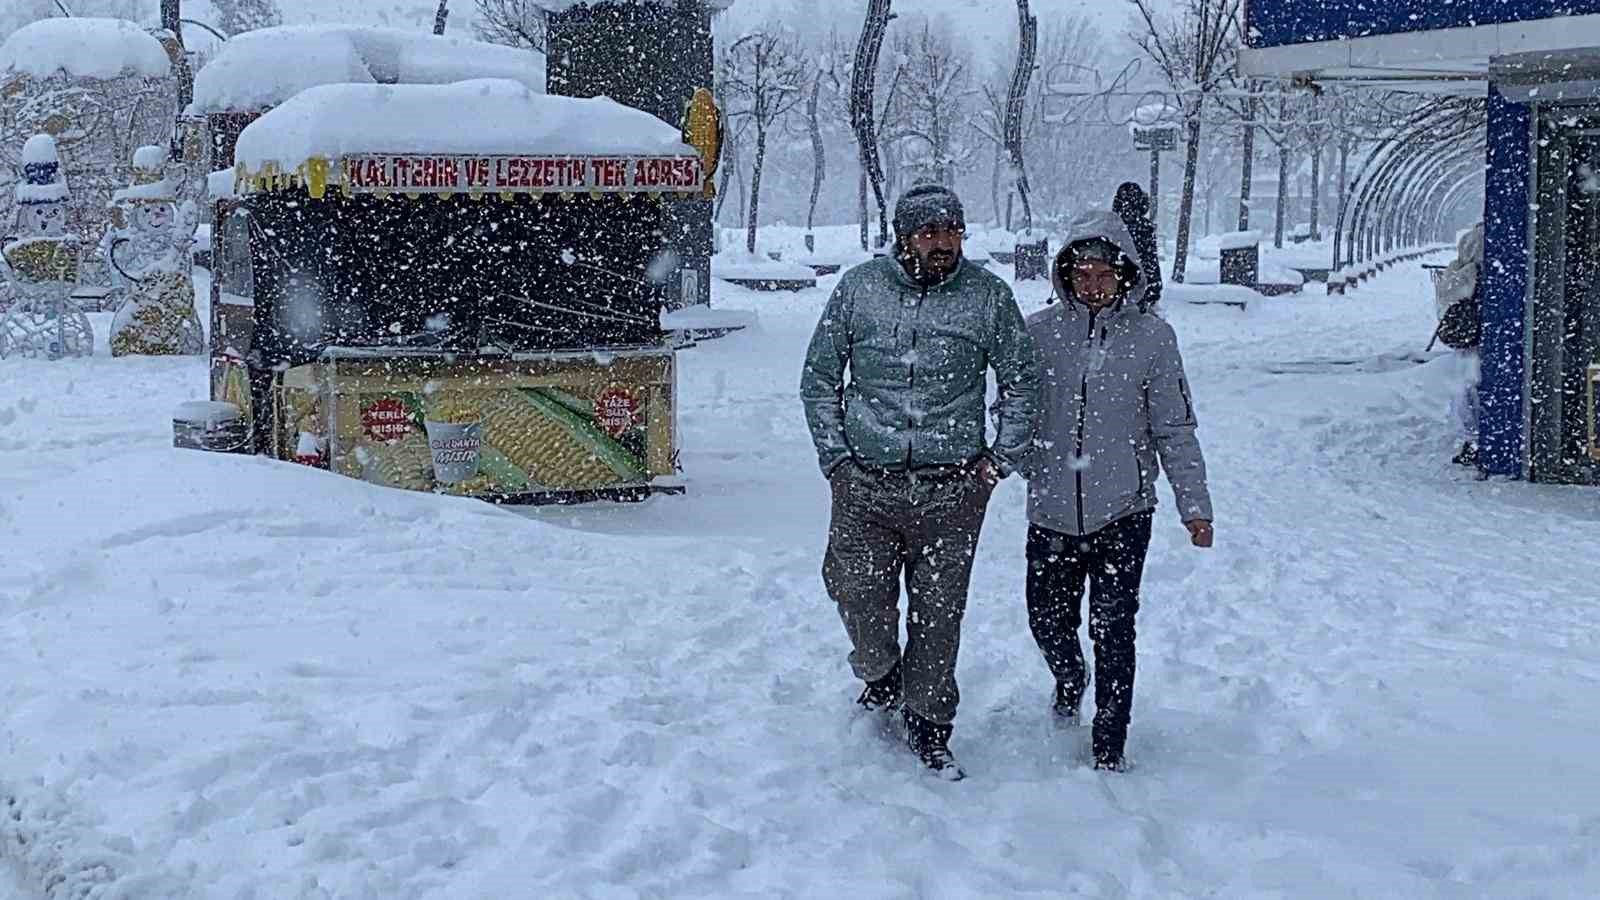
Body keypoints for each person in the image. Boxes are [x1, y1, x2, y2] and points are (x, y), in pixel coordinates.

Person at [801, 181, 1040, 780]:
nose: (943, 243)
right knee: (856, 594)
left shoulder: (986, 296)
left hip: (953, 489)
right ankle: (881, 674)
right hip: (865, 484)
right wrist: (837, 460)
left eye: (952, 231)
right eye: (930, 232)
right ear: (904, 237)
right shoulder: (859, 289)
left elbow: (1023, 381)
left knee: (938, 613)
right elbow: (819, 378)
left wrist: (998, 461)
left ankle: (930, 721)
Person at [1020, 208, 1213, 773]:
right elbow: (1012, 410)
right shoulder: (1038, 334)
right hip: (1052, 511)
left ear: (1125, 274)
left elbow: (1174, 427)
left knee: (1113, 627)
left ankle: (1110, 741)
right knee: (1047, 622)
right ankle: (1068, 675)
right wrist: (1020, 463)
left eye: (1104, 273)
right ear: (1065, 275)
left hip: (1124, 512)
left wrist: (1194, 506)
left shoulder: (1152, 338)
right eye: (1082, 274)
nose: (1093, 285)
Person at [1431, 222, 1484, 467]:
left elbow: (1450, 294)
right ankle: (1477, 440)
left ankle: (1472, 440)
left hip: (1469, 332)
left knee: (1466, 387)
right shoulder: (1479, 260)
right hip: (1478, 330)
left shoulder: (1469, 249)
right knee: (1472, 387)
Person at [1112, 182, 1164, 312]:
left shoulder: (1112, 227)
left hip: (1114, 289)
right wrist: (1154, 290)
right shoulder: (1145, 228)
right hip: (1140, 288)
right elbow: (1151, 262)